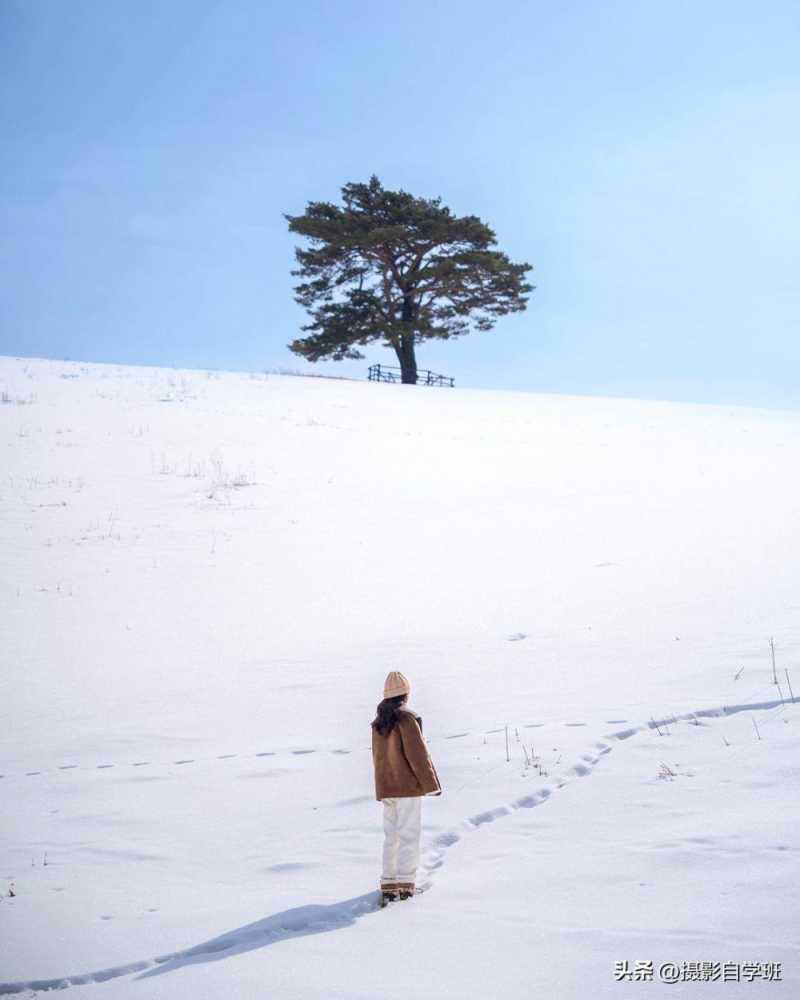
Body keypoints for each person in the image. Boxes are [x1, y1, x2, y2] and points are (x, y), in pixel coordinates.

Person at [371, 671, 441, 905]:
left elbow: (379, 760)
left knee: (391, 836)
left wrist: (381, 788)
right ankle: (406, 884)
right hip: (407, 788)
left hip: (388, 788)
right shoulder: (407, 718)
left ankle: (389, 883)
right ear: (405, 694)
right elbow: (418, 754)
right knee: (409, 835)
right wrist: (431, 785)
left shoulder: (379, 721)